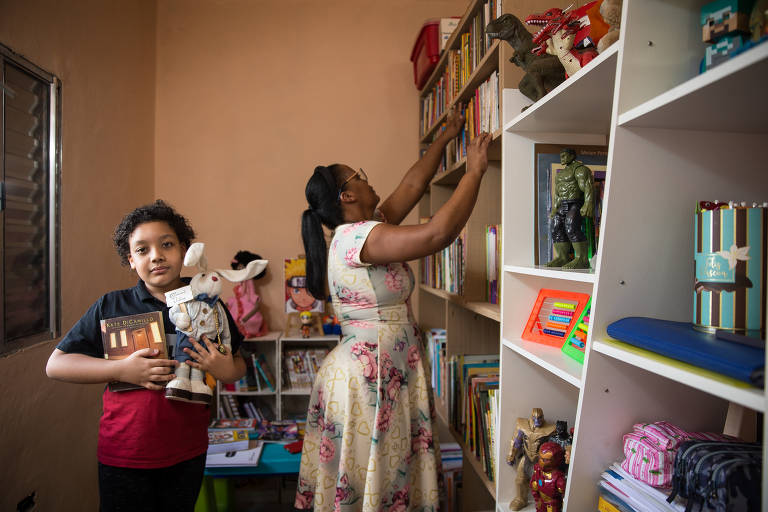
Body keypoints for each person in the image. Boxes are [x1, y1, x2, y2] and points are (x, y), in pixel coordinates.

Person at [295, 106, 492, 511]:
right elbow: (439, 233)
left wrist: (445, 136)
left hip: (381, 369)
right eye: (360, 177)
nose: (369, 181)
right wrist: (474, 173)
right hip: (373, 377)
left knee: (380, 476)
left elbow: (413, 184)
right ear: (347, 196)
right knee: (379, 480)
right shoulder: (360, 238)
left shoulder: (361, 231)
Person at [45, 199, 247, 512]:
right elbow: (56, 365)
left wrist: (224, 368)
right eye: (142, 250)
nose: (156, 256)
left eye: (166, 244)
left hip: (187, 452)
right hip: (124, 453)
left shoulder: (209, 305)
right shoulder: (111, 305)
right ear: (130, 259)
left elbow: (237, 368)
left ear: (184, 249)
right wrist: (121, 369)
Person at [227, 249, 269, 338]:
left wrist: (245, 318)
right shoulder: (240, 283)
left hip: (247, 315)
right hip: (240, 310)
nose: (239, 269)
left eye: (241, 267)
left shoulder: (249, 283)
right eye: (238, 267)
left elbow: (254, 301)